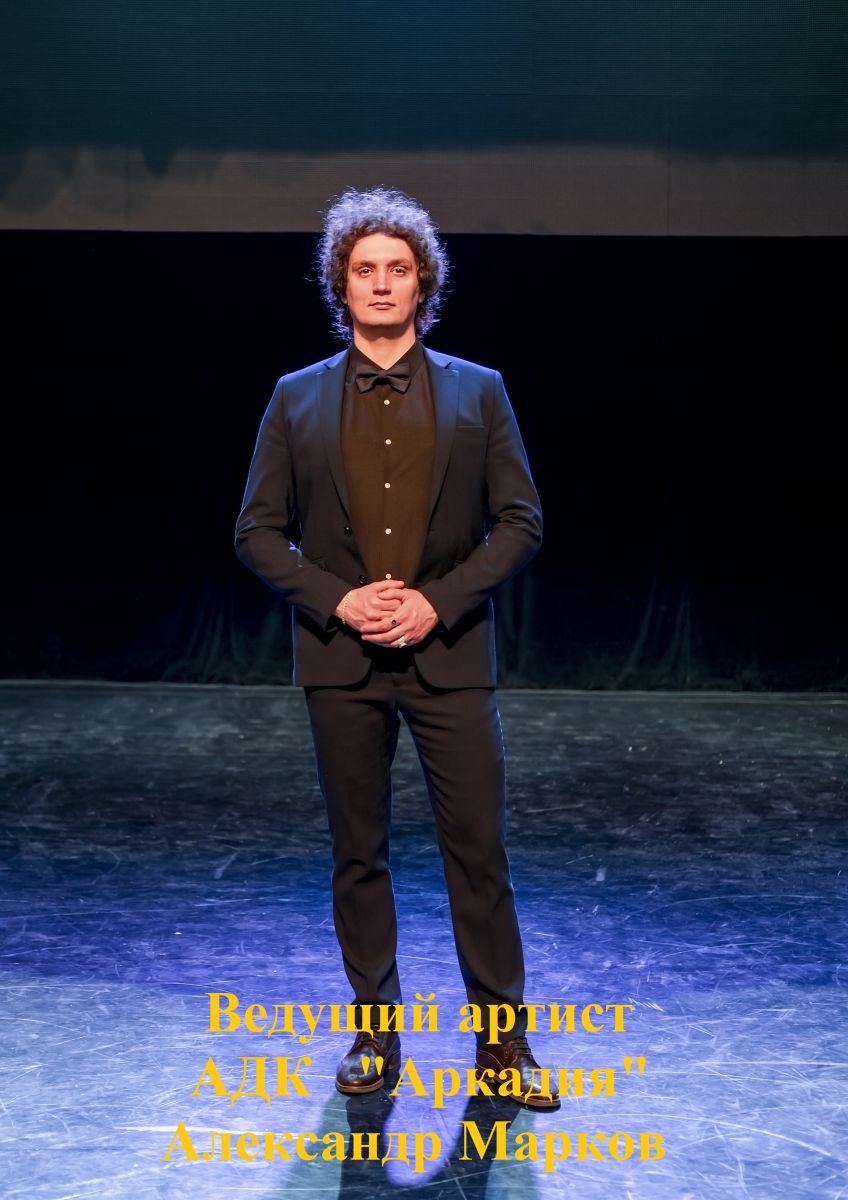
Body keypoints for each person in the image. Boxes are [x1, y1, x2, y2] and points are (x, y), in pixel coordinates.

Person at [235, 187, 556, 1107]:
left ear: (424, 284)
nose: (381, 283)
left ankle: (503, 1046)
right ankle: (376, 1033)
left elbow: (521, 520)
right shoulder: (295, 397)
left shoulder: (478, 390)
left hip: (448, 659)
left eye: (399, 269)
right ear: (341, 285)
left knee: (478, 851)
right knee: (358, 851)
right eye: (364, 269)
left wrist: (433, 604)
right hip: (341, 663)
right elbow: (256, 531)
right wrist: (340, 600)